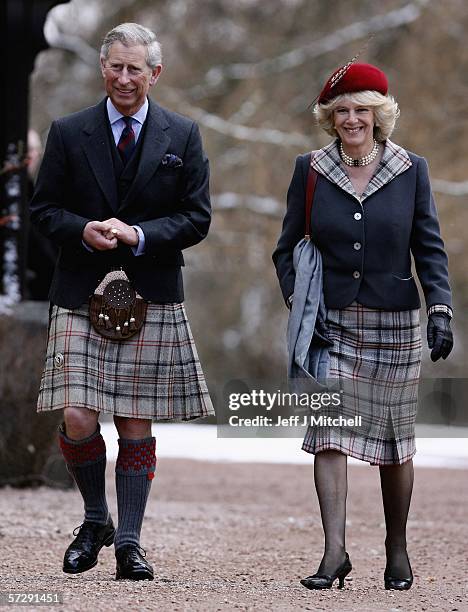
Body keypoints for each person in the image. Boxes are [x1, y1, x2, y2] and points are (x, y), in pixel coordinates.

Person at [30, 23, 214, 581]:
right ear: (102, 68)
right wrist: (81, 228)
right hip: (80, 292)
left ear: (155, 74)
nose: (125, 78)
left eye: (136, 69)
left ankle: (130, 543)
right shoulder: (68, 132)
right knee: (79, 414)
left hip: (151, 293)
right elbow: (44, 210)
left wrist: (138, 235)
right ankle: (95, 520)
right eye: (116, 67)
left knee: (135, 421)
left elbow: (197, 218)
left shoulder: (182, 135)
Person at [272, 62, 453, 591]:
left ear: (379, 114)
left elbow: (430, 248)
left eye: (361, 109)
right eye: (342, 111)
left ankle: (397, 551)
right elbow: (286, 249)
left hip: (394, 320)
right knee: (328, 432)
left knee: (395, 442)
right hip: (330, 321)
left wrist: (440, 308)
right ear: (331, 118)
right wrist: (300, 304)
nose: (352, 119)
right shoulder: (310, 170)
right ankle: (334, 554)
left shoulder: (411, 169)